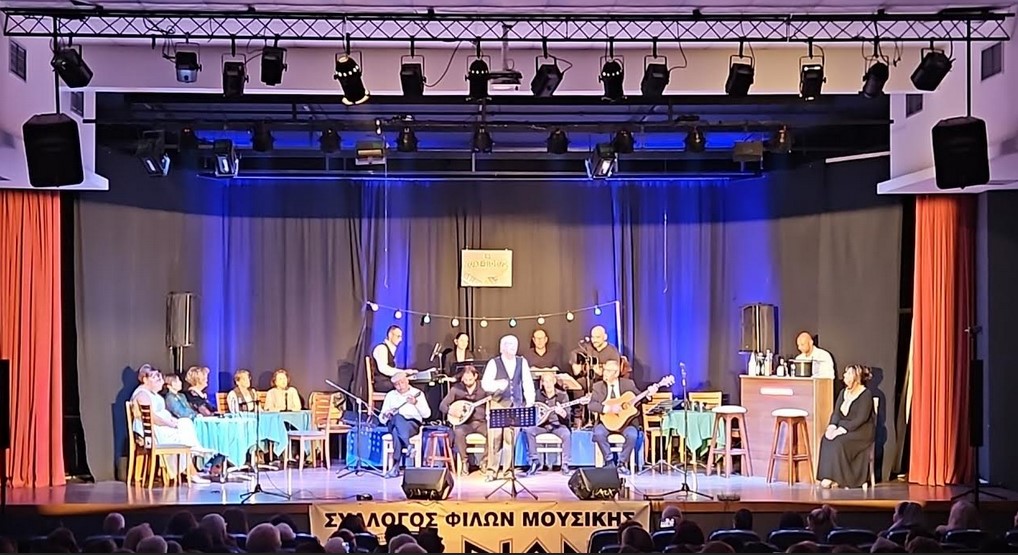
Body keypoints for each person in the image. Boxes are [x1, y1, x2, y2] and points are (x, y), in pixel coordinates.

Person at [130, 366, 209, 483]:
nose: (159, 380)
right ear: (145, 380)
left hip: (160, 427)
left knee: (185, 422)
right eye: (155, 377)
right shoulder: (142, 394)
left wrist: (172, 421)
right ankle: (192, 468)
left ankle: (193, 454)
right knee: (182, 435)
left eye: (159, 377)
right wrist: (169, 424)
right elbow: (152, 418)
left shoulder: (153, 394)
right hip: (152, 432)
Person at [480, 334, 535, 481]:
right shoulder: (494, 363)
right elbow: (485, 384)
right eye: (509, 344)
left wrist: (530, 401)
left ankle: (508, 471)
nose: (513, 347)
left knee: (510, 439)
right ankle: (492, 470)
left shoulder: (522, 362)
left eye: (515, 344)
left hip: (515, 405)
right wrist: (498, 384)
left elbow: (527, 382)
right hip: (498, 404)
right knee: (495, 439)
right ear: (502, 347)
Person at [589, 360, 656, 475]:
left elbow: (641, 399)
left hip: (626, 423)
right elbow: (591, 405)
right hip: (606, 422)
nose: (604, 373)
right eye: (604, 370)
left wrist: (649, 394)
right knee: (598, 433)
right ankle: (609, 461)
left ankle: (622, 463)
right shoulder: (598, 386)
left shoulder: (628, 384)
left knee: (632, 435)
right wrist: (608, 409)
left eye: (608, 371)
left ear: (616, 373)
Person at [817, 364, 875, 488]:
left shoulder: (866, 394)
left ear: (856, 378)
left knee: (839, 442)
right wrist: (832, 427)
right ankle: (829, 476)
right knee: (826, 439)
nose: (844, 376)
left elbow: (861, 418)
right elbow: (836, 413)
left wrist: (842, 429)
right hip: (844, 428)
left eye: (848, 374)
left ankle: (842, 478)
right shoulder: (843, 392)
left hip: (861, 432)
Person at [379, 371, 431, 478]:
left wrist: (416, 403)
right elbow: (381, 418)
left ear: (407, 381)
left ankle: (395, 467)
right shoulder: (390, 395)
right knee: (397, 417)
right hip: (393, 422)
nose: (400, 386)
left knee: (396, 432)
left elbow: (427, 414)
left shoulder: (417, 393)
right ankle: (408, 446)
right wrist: (386, 415)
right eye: (397, 385)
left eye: (402, 383)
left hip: (412, 424)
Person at [439, 365, 488, 476]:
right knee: (458, 432)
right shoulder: (456, 389)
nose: (468, 382)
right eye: (465, 379)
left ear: (475, 376)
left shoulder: (483, 387)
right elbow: (442, 405)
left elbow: (494, 398)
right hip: (464, 424)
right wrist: (452, 411)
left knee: (492, 433)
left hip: (481, 422)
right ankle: (464, 461)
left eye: (470, 379)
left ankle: (484, 461)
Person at [522, 372, 572, 476]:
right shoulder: (537, 395)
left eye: (550, 381)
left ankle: (565, 464)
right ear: (542, 383)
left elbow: (567, 416)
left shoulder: (562, 395)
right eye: (545, 381)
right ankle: (535, 460)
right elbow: (531, 411)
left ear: (554, 382)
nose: (548, 384)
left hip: (558, 425)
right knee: (529, 431)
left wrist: (562, 413)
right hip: (542, 426)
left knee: (566, 434)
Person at [372, 325, 418, 394]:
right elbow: (383, 369)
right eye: (398, 336)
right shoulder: (381, 348)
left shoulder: (390, 350)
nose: (400, 339)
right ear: (390, 335)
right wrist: (403, 372)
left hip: (388, 381)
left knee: (408, 384)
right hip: (382, 383)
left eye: (401, 337)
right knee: (403, 386)